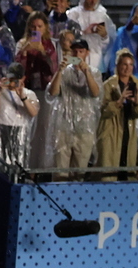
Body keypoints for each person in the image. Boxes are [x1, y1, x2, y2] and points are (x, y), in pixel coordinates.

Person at [48, 39, 100, 176]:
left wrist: (86, 72)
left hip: (84, 127)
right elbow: (52, 92)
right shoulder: (63, 72)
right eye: (75, 51)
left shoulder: (94, 72)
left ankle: (76, 196)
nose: (77, 55)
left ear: (87, 53)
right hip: (63, 126)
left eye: (81, 51)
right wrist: (59, 71)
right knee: (60, 171)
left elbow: (96, 93)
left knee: (79, 171)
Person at [98, 51, 138, 174]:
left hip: (129, 131)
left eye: (130, 65)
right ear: (118, 65)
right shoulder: (108, 85)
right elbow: (103, 112)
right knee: (109, 170)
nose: (127, 68)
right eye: (124, 64)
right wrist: (119, 101)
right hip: (111, 131)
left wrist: (136, 102)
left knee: (127, 170)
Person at [0, 64, 40, 166]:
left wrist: (23, 97)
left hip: (19, 131)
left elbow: (33, 113)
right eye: (11, 78)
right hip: (0, 129)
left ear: (23, 78)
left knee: (18, 163)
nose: (13, 82)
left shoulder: (29, 94)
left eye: (16, 79)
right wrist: (0, 91)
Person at [67, 0, 113, 72]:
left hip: (96, 62)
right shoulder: (72, 14)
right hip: (76, 58)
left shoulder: (103, 16)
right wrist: (84, 32)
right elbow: (66, 40)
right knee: (75, 79)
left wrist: (104, 36)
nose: (93, 1)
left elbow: (108, 46)